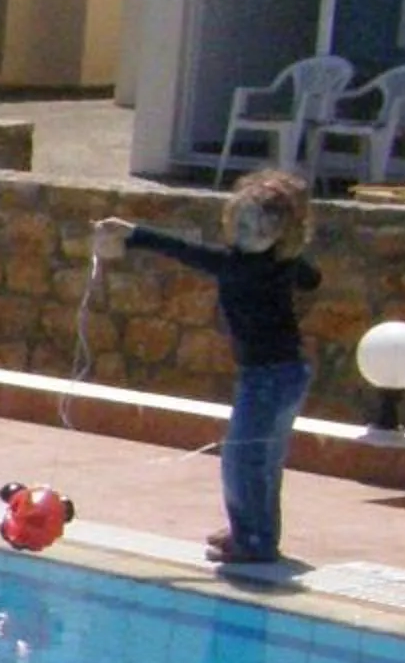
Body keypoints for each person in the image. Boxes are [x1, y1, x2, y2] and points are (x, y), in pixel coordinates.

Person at [92, 169, 321, 569]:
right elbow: (312, 279)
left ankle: (254, 540)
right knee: (262, 458)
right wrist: (291, 254)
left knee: (243, 459)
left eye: (258, 223)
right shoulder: (276, 263)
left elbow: (185, 251)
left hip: (269, 377)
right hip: (285, 373)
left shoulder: (240, 265)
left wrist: (134, 232)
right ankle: (254, 531)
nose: (249, 229)